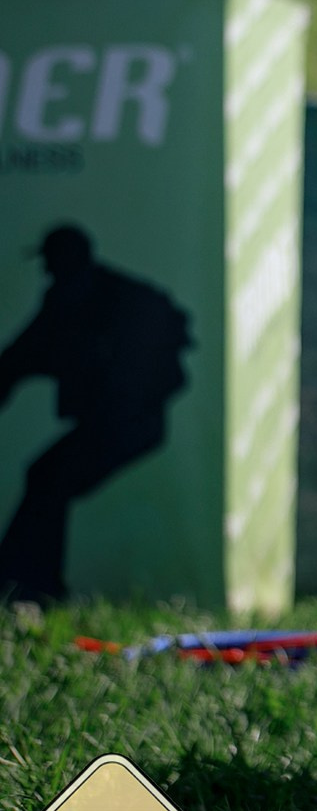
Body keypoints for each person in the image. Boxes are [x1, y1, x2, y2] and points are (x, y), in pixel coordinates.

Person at [0, 225, 193, 602]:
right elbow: (20, 358)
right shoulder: (64, 302)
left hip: (134, 424)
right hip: (108, 422)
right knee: (46, 478)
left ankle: (29, 586)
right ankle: (24, 583)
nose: (48, 273)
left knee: (49, 479)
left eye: (53, 264)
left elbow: (173, 347)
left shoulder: (125, 300)